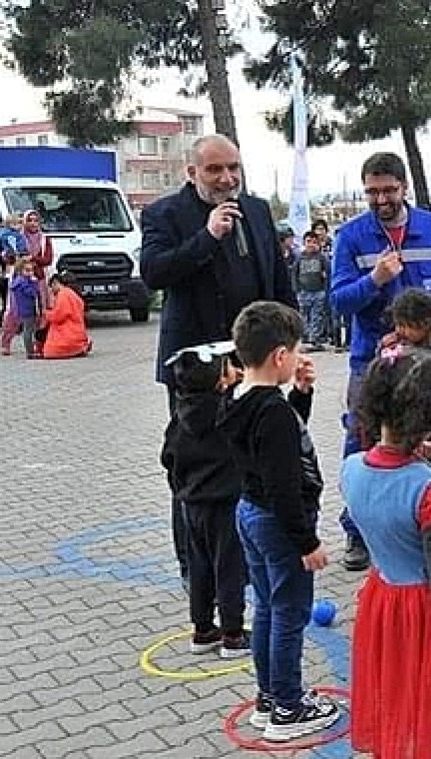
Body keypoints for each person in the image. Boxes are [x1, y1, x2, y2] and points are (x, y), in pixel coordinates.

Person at [141, 134, 298, 586]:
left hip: (257, 360)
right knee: (199, 470)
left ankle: (247, 560)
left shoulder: (257, 210)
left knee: (254, 458)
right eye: (215, 170)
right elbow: (154, 272)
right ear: (192, 172)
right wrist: (208, 236)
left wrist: (292, 340)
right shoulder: (165, 214)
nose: (227, 178)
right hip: (198, 369)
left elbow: (278, 281)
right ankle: (198, 569)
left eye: (233, 167)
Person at [330, 152, 431, 572]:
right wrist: (373, 279)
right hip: (371, 363)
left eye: (388, 190)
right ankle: (357, 531)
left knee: (429, 442)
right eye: (371, 192)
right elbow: (339, 302)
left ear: (404, 188)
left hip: (427, 360)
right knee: (364, 444)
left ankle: (424, 522)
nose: (380, 199)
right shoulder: (352, 236)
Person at [344, 352, 431, 758]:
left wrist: (410, 456)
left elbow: (385, 488)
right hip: (429, 619)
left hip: (386, 604)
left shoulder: (352, 469)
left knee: (399, 700)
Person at [217, 301, 340, 741]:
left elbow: (278, 443)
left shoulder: (240, 398)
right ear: (280, 357)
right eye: (296, 351)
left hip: (249, 514)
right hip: (277, 521)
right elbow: (284, 481)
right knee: (290, 613)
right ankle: (288, 708)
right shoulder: (270, 412)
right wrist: (307, 542)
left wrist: (300, 395)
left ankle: (269, 698)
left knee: (268, 606)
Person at [160, 340, 246, 659]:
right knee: (229, 567)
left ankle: (203, 629)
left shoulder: (181, 415)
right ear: (219, 381)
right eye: (229, 368)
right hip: (225, 504)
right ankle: (234, 634)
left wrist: (182, 486)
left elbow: (167, 456)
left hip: (191, 505)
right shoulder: (227, 412)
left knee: (199, 567)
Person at [376, 289, 431, 480]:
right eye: (398, 325)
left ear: (426, 324)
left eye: (406, 326)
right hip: (402, 436)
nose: (400, 331)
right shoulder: (402, 349)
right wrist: (383, 351)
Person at [293, 231, 331, 350]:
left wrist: (325, 290)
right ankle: (305, 336)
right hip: (303, 292)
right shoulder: (299, 258)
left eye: (314, 242)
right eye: (308, 241)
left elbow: (328, 274)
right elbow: (294, 274)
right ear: (304, 243)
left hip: (318, 291)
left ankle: (314, 338)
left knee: (317, 316)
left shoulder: (322, 258)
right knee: (304, 315)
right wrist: (296, 289)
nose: (311, 245)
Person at [43, 272, 92, 359]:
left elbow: (58, 316)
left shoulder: (62, 295)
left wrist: (46, 314)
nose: (51, 290)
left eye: (51, 287)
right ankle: (80, 347)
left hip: (68, 336)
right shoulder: (72, 294)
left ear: (56, 283)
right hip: (78, 333)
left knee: (49, 351)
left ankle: (77, 349)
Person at [8, 256, 41, 357]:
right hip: (28, 310)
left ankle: (31, 350)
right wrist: (35, 283)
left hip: (23, 309)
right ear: (20, 270)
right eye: (27, 270)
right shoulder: (24, 282)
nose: (30, 273)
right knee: (28, 331)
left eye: (31, 270)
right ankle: (30, 351)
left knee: (29, 330)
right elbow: (32, 293)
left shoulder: (19, 281)